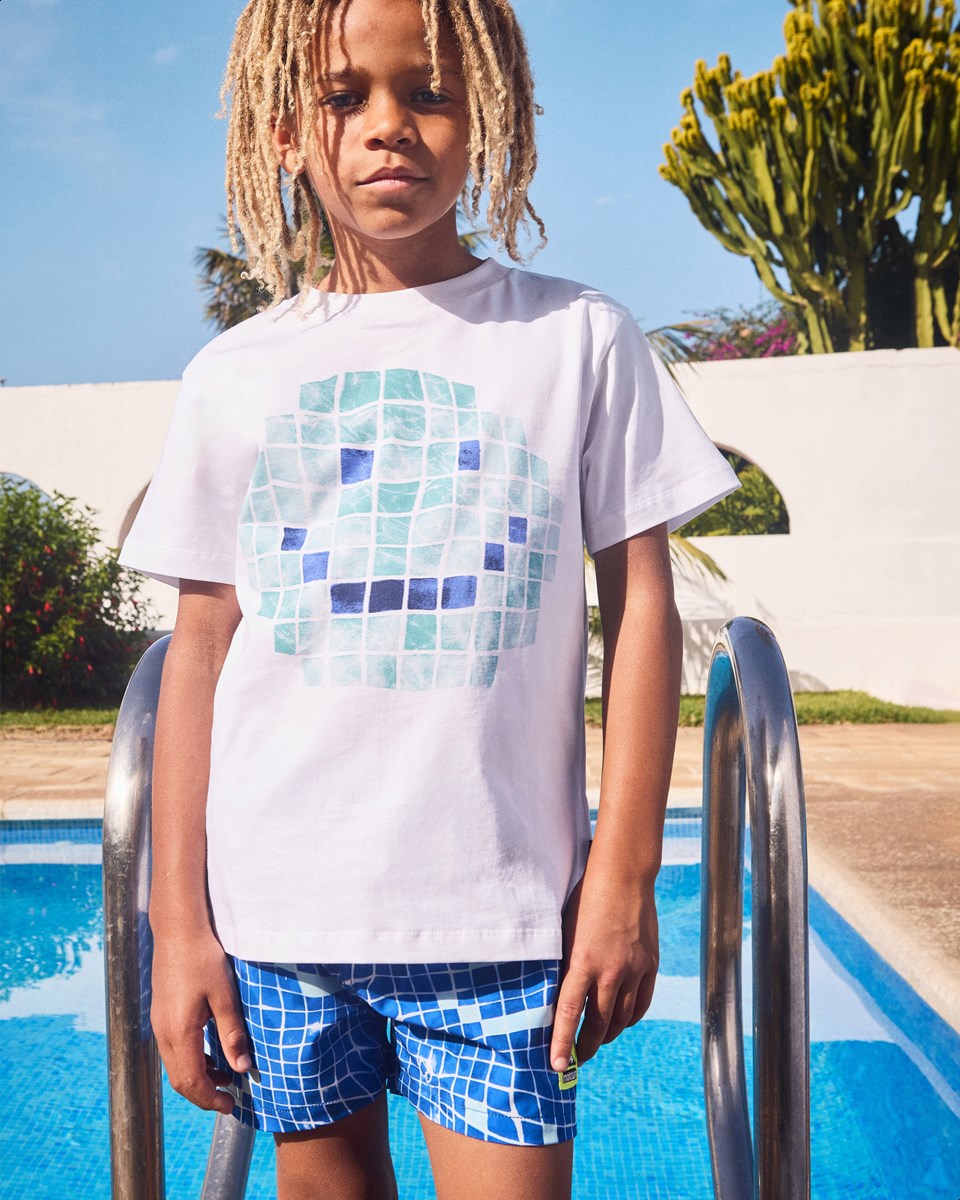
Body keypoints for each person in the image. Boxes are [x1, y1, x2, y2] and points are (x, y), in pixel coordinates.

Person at [118, 0, 739, 1196]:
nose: (388, 126)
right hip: (282, 916)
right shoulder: (234, 374)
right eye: (344, 97)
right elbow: (199, 651)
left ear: (488, 113)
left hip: (502, 918)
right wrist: (177, 924)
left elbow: (644, 610)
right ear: (284, 130)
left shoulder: (578, 339)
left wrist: (623, 877)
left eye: (431, 92)